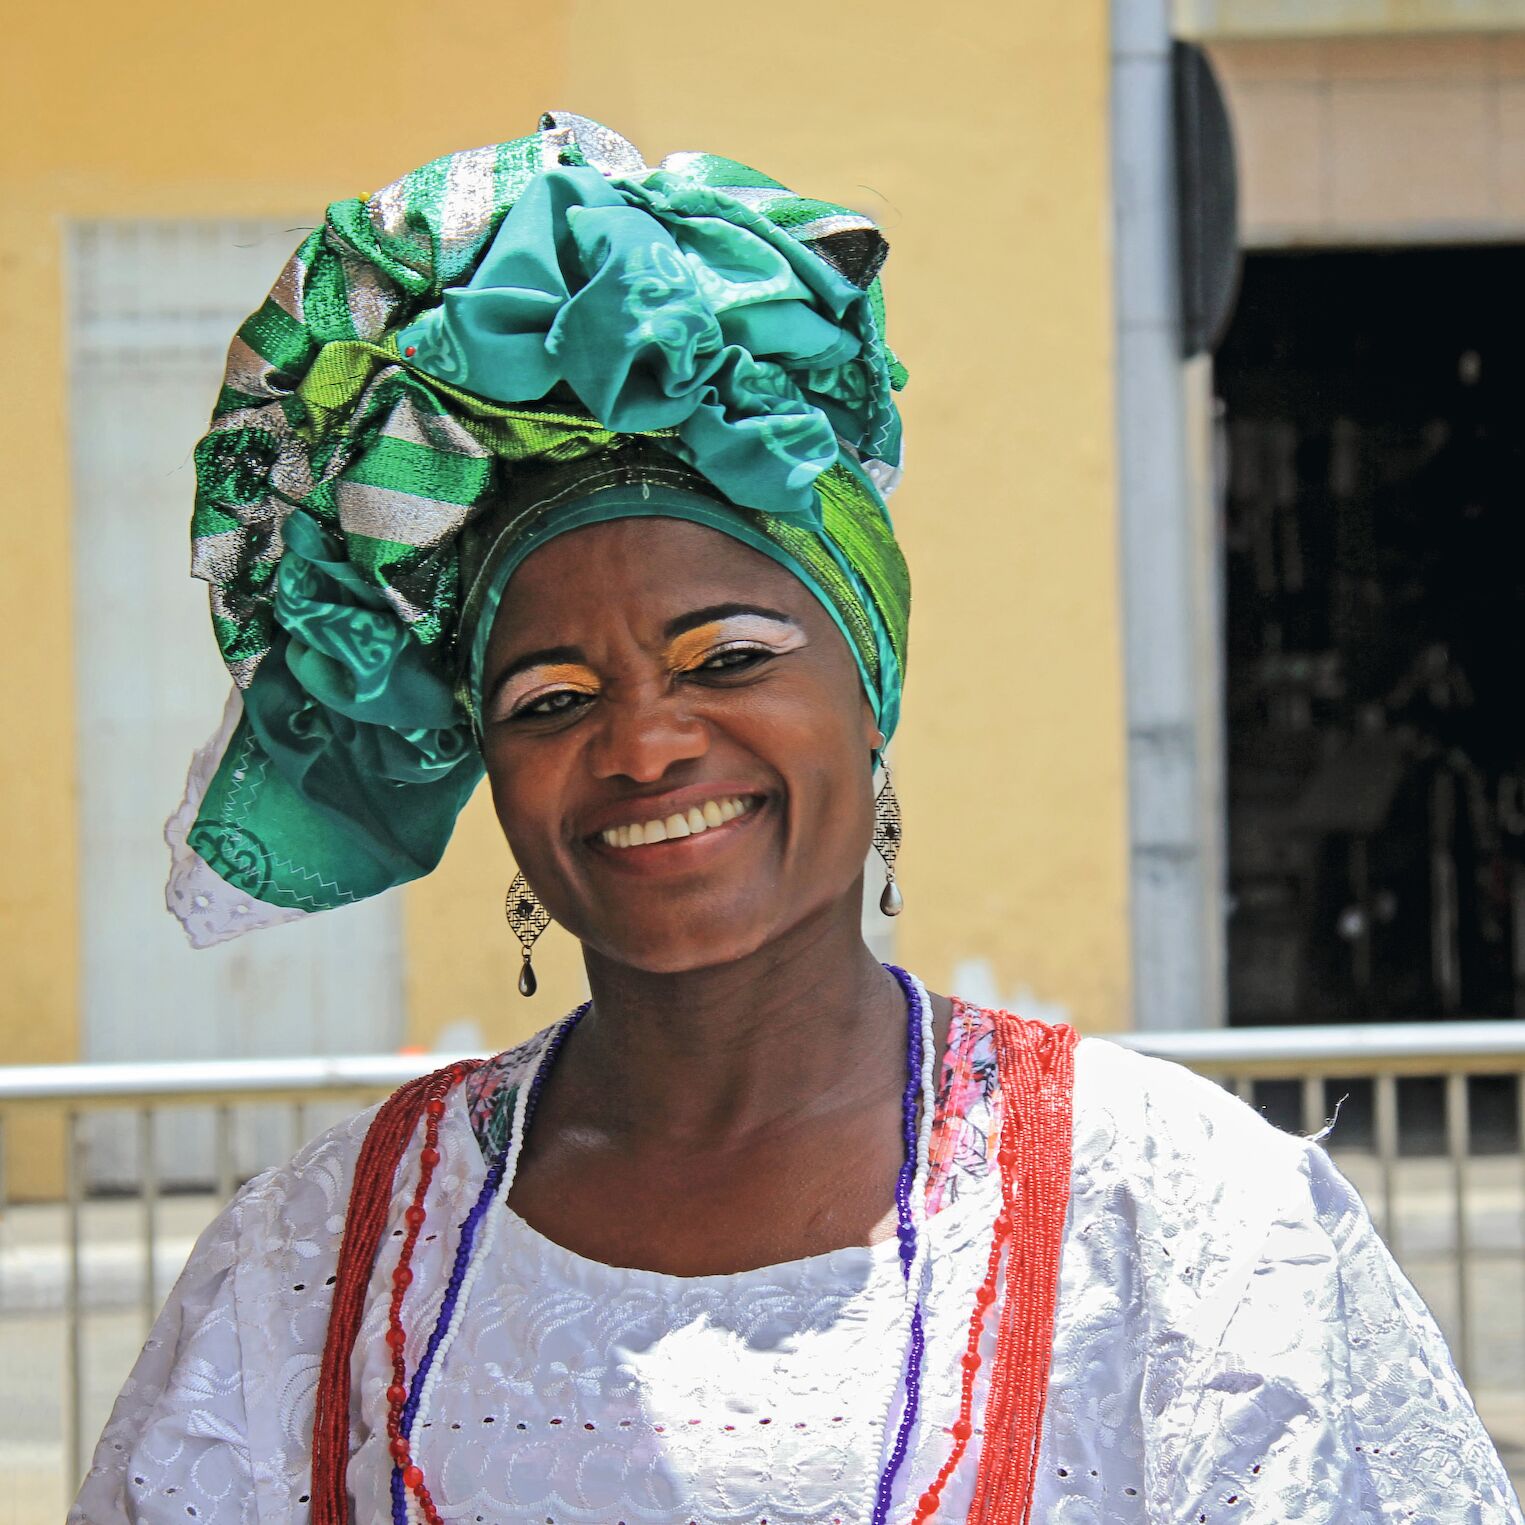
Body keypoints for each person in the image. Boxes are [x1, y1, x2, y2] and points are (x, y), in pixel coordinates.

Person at [74, 112, 1521, 1525]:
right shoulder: (308, 1274)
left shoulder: (1185, 1234)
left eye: (731, 659)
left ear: (868, 689)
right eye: (550, 695)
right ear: (484, 762)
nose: (644, 741)